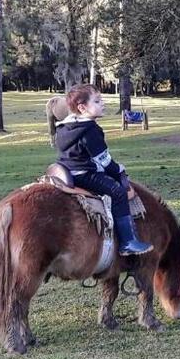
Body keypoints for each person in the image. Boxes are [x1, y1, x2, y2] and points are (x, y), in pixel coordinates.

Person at [55, 84, 153, 256]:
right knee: (118, 192)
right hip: (83, 174)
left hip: (66, 171)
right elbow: (104, 160)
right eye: (97, 101)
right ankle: (128, 242)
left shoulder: (65, 127)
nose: (103, 103)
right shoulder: (90, 129)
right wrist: (118, 169)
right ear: (82, 108)